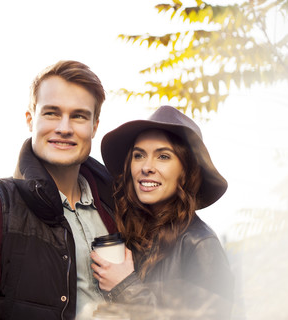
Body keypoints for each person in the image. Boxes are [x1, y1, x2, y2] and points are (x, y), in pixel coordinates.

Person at [0, 60, 117, 320]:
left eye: (78, 116)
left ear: (95, 126)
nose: (64, 128)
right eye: (52, 113)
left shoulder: (118, 208)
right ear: (30, 119)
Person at [91, 105, 234, 319]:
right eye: (139, 155)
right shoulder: (132, 232)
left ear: (186, 171)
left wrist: (125, 285)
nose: (146, 167)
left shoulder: (200, 244)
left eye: (163, 156)